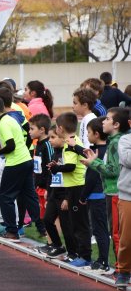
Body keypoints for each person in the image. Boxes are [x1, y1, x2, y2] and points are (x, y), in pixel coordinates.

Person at [0, 96, 46, 242]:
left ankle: (12, 231)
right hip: (26, 159)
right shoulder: (12, 119)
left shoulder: (3, 123)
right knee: (29, 195)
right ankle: (42, 227)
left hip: (15, 162)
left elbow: (11, 146)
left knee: (5, 196)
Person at [82, 107, 130, 273]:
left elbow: (114, 171)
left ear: (116, 124)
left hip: (116, 192)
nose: (103, 121)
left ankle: (121, 270)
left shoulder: (117, 143)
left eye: (107, 119)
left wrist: (93, 164)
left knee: (117, 233)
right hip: (114, 191)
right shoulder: (114, 142)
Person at [50, 112, 91, 266]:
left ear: (60, 129)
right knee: (75, 222)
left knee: (80, 223)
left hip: (77, 186)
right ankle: (79, 254)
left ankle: (85, 256)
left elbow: (71, 167)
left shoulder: (71, 144)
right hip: (73, 186)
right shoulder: (72, 142)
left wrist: (57, 168)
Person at [75, 117, 110, 273]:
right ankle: (102, 260)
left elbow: (92, 177)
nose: (87, 135)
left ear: (96, 134)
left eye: (88, 132)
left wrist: (83, 196)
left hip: (97, 195)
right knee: (100, 229)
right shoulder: (104, 149)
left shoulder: (97, 153)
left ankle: (103, 261)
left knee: (100, 230)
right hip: (100, 195)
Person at [42, 126, 73, 258]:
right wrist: (48, 191)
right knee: (47, 220)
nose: (50, 140)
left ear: (63, 138)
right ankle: (57, 245)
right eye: (49, 137)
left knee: (66, 226)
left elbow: (71, 175)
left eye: (53, 137)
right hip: (54, 193)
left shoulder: (67, 153)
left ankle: (73, 252)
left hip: (64, 194)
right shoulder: (54, 153)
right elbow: (51, 174)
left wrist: (67, 197)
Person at [115, 111, 131, 290]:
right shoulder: (125, 141)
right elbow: (127, 159)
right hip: (128, 195)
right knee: (127, 238)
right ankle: (124, 270)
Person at [28, 114, 53, 219]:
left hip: (47, 187)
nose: (29, 131)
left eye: (32, 128)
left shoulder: (47, 145)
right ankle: (43, 232)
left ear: (42, 130)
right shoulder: (38, 144)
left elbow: (51, 168)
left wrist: (48, 187)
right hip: (39, 186)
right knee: (42, 214)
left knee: (48, 215)